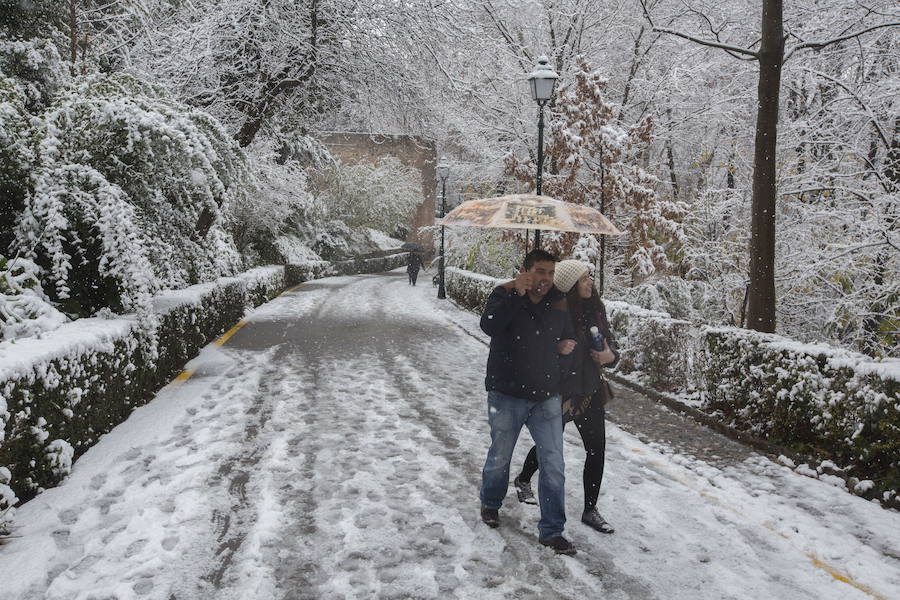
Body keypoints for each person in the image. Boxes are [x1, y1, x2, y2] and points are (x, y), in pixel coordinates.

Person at [478, 248, 579, 555]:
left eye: (550, 272)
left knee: (554, 463)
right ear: (524, 270)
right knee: (500, 456)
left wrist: (567, 344)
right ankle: (491, 502)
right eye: (539, 271)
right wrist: (514, 293)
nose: (545, 278)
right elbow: (489, 326)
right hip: (507, 393)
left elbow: (568, 335)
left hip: (546, 394)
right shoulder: (504, 294)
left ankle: (552, 530)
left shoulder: (558, 301)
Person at [512, 259, 620, 535]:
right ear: (570, 285)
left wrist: (609, 356)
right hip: (560, 391)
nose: (590, 283)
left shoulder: (596, 309)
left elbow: (610, 345)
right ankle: (524, 479)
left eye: (589, 278)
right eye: (584, 279)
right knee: (550, 445)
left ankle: (590, 509)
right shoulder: (555, 311)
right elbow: (534, 346)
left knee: (596, 449)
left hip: (589, 390)